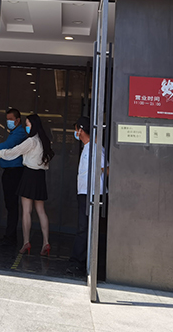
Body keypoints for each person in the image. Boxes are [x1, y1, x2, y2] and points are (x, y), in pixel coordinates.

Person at [0, 113, 55, 256]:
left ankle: (26, 242)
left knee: (26, 211)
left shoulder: (31, 141)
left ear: (33, 125)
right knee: (41, 211)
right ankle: (46, 242)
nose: (26, 127)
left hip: (29, 175)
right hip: (40, 177)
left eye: (27, 124)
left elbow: (14, 152)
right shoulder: (44, 141)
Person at [67, 116, 106, 277]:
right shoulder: (87, 147)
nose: (75, 132)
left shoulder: (95, 148)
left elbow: (105, 168)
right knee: (84, 228)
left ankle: (78, 262)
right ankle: (82, 261)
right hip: (84, 193)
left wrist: (97, 176)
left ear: (81, 130)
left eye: (76, 129)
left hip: (92, 194)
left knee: (84, 228)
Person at [0, 108, 28, 247]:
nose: (8, 122)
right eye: (7, 120)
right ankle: (10, 235)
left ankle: (10, 237)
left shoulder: (19, 133)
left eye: (11, 119)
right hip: (10, 172)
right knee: (10, 205)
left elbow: (7, 146)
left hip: (14, 173)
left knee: (12, 205)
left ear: (18, 120)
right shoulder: (13, 133)